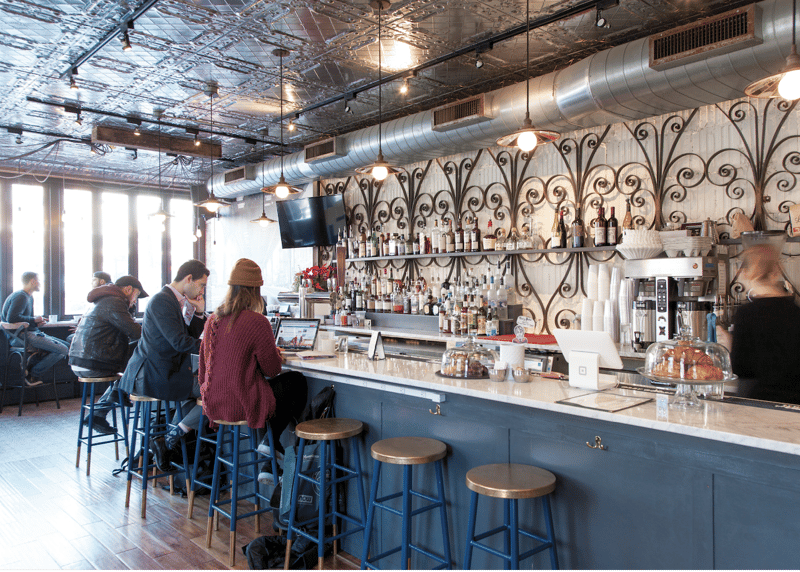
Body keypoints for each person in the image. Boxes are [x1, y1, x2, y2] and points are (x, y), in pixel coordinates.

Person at [198, 259, 308, 466]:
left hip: (213, 402)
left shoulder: (212, 319)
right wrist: (274, 353)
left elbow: (204, 367)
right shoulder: (258, 322)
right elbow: (273, 370)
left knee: (268, 388)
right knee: (296, 381)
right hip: (241, 404)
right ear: (256, 290)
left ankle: (269, 460)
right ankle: (270, 441)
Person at [119, 259, 209, 470]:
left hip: (165, 371)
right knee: (215, 391)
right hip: (155, 374)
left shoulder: (173, 300)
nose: (202, 290)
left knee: (199, 395)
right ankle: (169, 440)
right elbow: (180, 342)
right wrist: (217, 347)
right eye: (201, 284)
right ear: (189, 279)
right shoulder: (163, 301)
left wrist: (199, 312)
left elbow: (187, 336)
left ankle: (167, 442)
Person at [717, 244, 800, 404]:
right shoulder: (795, 311)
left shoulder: (746, 314)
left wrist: (730, 344)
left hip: (758, 402)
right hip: (794, 404)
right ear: (776, 271)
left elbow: (741, 368)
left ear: (744, 273)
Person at [68, 275, 148, 435]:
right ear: (128, 289)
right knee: (142, 353)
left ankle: (100, 412)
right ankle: (120, 392)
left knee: (133, 363)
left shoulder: (103, 299)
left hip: (81, 360)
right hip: (92, 361)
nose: (135, 301)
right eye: (137, 295)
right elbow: (135, 332)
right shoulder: (114, 302)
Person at [1, 271, 69, 384]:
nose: (40, 284)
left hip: (31, 333)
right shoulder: (21, 296)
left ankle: (30, 366)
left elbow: (24, 319)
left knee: (66, 347)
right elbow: (12, 318)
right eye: (38, 281)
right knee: (63, 350)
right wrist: (34, 320)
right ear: (32, 281)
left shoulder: (28, 297)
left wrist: (36, 323)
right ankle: (33, 374)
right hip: (21, 337)